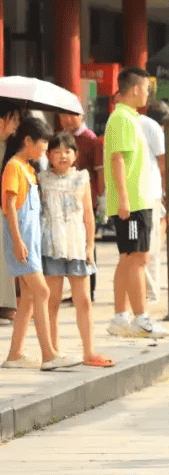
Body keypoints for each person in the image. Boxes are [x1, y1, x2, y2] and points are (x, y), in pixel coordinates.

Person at [2, 117, 79, 370]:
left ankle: (15, 355)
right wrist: (17, 241)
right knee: (43, 292)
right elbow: (10, 207)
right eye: (44, 147)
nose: (46, 153)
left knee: (28, 299)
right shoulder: (14, 167)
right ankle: (48, 354)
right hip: (22, 243)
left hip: (29, 243)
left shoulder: (27, 168)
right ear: (28, 142)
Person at [103, 67, 169, 339]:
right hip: (133, 203)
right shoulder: (122, 118)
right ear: (134, 90)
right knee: (138, 258)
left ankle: (121, 317)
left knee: (130, 258)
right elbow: (117, 159)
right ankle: (140, 317)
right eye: (145, 88)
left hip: (137, 200)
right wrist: (124, 200)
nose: (147, 94)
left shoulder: (130, 118)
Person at [39, 132, 113, 367]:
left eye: (68, 151)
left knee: (84, 301)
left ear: (75, 155)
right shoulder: (41, 179)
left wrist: (90, 246)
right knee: (52, 303)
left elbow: (89, 217)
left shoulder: (82, 179)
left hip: (77, 247)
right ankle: (54, 352)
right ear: (48, 155)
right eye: (57, 151)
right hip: (50, 246)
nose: (63, 156)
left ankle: (89, 352)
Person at [59, 110, 104, 302]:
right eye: (64, 116)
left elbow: (99, 172)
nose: (68, 120)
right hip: (63, 199)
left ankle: (88, 291)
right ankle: (74, 290)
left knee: (87, 245)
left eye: (72, 115)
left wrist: (100, 197)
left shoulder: (91, 139)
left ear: (82, 116)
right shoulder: (60, 139)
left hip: (86, 200)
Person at [139, 98, 167, 303]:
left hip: (133, 197)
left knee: (134, 247)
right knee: (152, 245)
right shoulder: (155, 129)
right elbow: (163, 163)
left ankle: (140, 288)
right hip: (152, 195)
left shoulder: (127, 122)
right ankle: (150, 289)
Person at [0, 100, 24, 324]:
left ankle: (6, 304)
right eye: (13, 119)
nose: (16, 124)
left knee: (4, 255)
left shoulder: (14, 146)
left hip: (5, 208)